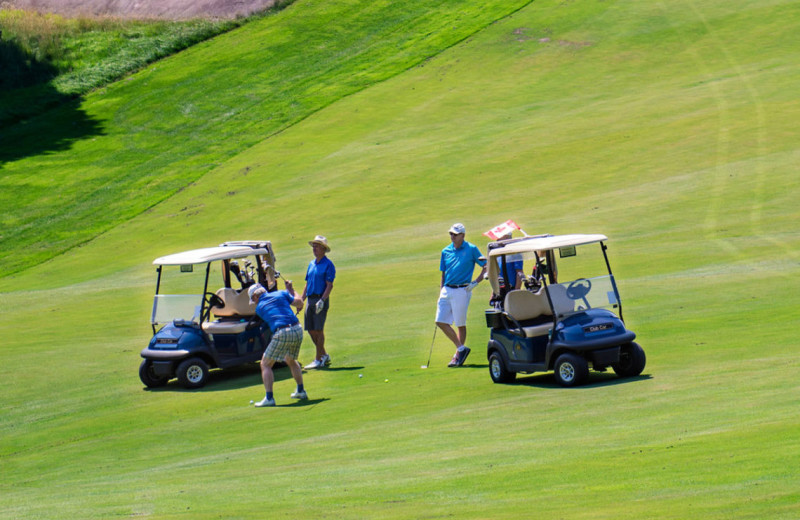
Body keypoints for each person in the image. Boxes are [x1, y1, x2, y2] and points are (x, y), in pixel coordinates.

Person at [436, 223, 487, 367]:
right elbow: (443, 274)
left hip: (462, 290)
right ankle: (461, 348)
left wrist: (475, 283)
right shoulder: (445, 251)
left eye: (455, 234)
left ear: (463, 235)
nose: (452, 236)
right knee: (440, 321)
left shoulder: (471, 249)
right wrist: (441, 292)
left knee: (460, 324)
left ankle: (458, 356)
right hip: (447, 289)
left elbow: (486, 266)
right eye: (451, 234)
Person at [249, 281, 307, 407]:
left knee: (265, 364)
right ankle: (301, 391)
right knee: (290, 359)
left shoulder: (259, 308)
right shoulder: (281, 293)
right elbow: (300, 303)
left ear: (255, 296)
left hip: (282, 332)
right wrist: (291, 290)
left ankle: (269, 398)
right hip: (298, 329)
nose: (254, 303)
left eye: (253, 300)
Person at [301, 235, 336, 369]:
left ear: (323, 249)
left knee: (318, 329)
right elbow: (307, 283)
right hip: (310, 299)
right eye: (314, 246)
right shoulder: (311, 264)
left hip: (320, 299)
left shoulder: (328, 265)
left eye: (317, 246)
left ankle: (318, 358)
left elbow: (329, 285)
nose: (314, 248)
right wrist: (301, 300)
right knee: (310, 329)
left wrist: (322, 300)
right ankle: (324, 355)